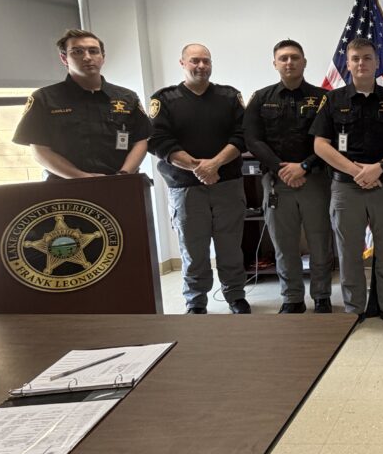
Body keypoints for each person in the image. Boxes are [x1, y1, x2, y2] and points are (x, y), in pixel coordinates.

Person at [311, 37, 383, 330]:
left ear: (377, 62)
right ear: (347, 63)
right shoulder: (333, 100)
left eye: (367, 58)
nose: (362, 63)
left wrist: (379, 168)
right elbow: (321, 145)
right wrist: (357, 171)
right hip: (346, 188)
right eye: (356, 58)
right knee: (349, 251)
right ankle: (354, 309)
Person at [149, 44, 250, 314]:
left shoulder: (229, 97)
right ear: (182, 63)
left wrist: (215, 164)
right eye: (195, 61)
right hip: (185, 188)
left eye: (206, 61)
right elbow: (158, 141)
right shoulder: (165, 99)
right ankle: (196, 300)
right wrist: (197, 167)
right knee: (193, 249)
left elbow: (242, 136)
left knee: (230, 246)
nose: (201, 66)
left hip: (227, 183)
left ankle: (235, 295)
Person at [244, 39, 333, 314]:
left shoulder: (323, 98)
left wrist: (303, 167)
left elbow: (328, 141)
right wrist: (282, 168)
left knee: (320, 242)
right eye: (283, 58)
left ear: (304, 62)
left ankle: (321, 296)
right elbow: (252, 139)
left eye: (295, 57)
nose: (289, 62)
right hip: (277, 182)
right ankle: (292, 298)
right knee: (283, 244)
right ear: (275, 64)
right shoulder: (261, 98)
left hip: (314, 179)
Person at [13, 29, 150, 179]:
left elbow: (140, 140)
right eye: (77, 52)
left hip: (121, 183)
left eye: (93, 51)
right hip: (66, 187)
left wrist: (123, 174)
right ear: (64, 58)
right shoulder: (44, 98)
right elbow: (39, 150)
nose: (87, 57)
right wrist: (81, 178)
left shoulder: (127, 97)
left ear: (103, 57)